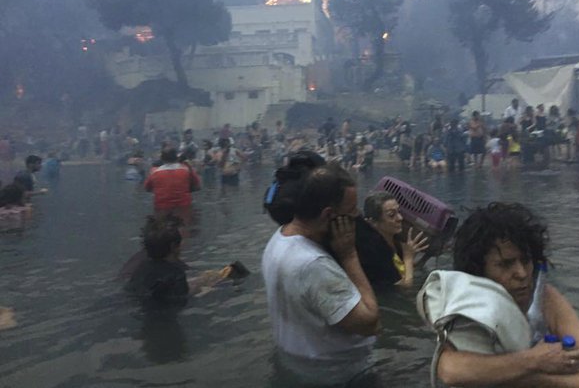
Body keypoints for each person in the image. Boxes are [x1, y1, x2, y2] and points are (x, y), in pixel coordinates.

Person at [431, 202, 579, 388]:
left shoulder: (545, 299)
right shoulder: (466, 306)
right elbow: (450, 371)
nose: (522, 274)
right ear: (479, 272)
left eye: (526, 260)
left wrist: (535, 379)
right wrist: (535, 361)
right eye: (506, 264)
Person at [261, 164, 380, 385]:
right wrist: (349, 255)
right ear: (328, 215)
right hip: (339, 375)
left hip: (300, 366)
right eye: (351, 212)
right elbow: (369, 323)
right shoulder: (314, 265)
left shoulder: (279, 238)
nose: (357, 217)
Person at [126, 215, 244, 304]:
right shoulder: (176, 273)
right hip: (166, 313)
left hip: (142, 305)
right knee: (238, 272)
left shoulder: (141, 267)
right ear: (173, 246)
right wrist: (204, 284)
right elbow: (183, 296)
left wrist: (200, 280)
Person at [355, 191, 428, 286]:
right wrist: (408, 257)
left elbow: (405, 268)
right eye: (391, 215)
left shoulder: (396, 241)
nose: (400, 218)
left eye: (399, 212)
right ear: (373, 222)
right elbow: (405, 286)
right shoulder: (374, 253)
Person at [144, 147, 200, 222]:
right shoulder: (186, 169)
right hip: (183, 207)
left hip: (162, 208)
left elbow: (147, 188)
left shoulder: (155, 172)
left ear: (162, 159)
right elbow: (197, 185)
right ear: (176, 157)